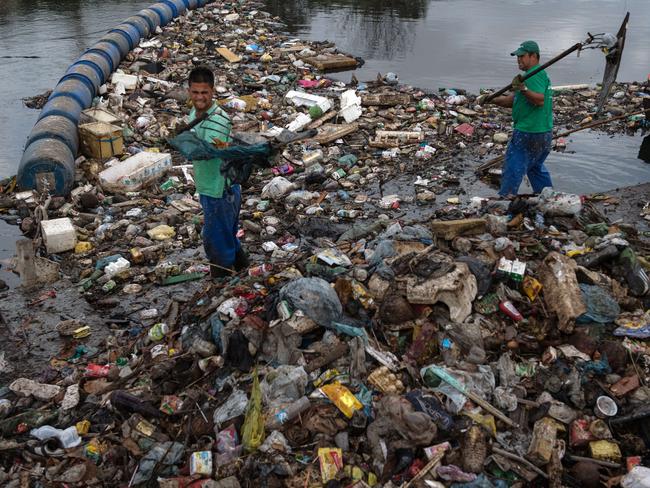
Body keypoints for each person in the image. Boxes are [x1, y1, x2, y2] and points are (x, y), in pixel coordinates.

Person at [187, 66, 249, 278]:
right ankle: (245, 272)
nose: (200, 97)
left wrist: (183, 144)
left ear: (212, 91)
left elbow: (209, 151)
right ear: (189, 92)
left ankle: (220, 286)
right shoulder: (193, 114)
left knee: (216, 243)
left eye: (204, 92)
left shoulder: (219, 119)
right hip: (209, 187)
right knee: (227, 236)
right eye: (195, 92)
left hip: (221, 191)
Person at [478, 40, 554, 196]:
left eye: (522, 56)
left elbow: (539, 100)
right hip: (544, 133)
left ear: (534, 56)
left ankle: (505, 202)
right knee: (535, 167)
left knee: (513, 167)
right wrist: (491, 99)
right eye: (517, 57)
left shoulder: (534, 74)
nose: (519, 60)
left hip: (528, 132)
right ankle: (547, 198)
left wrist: (523, 89)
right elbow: (512, 100)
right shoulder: (530, 76)